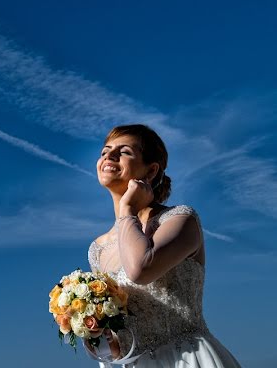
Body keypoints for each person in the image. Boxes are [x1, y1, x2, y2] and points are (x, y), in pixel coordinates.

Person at [86, 124, 242, 367]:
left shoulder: (180, 220)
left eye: (124, 151)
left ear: (150, 172)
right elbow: (121, 329)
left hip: (187, 359)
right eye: (106, 150)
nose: (109, 155)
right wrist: (104, 341)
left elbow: (140, 270)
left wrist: (127, 210)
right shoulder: (99, 248)